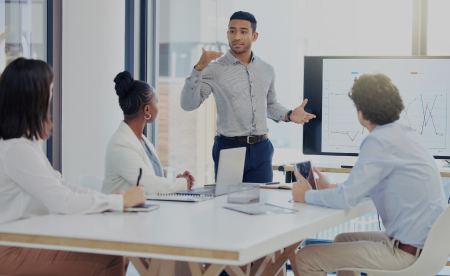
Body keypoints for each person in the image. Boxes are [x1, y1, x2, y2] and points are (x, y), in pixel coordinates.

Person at [0, 58, 146, 276]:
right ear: (34, 98)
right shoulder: (16, 151)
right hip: (11, 252)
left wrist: (112, 201)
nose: (51, 98)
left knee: (113, 253)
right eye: (49, 91)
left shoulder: (24, 145)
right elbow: (64, 201)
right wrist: (120, 201)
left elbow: (63, 187)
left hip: (28, 241)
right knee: (110, 257)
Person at [291, 74, 447, 276]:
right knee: (342, 240)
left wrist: (305, 195)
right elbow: (371, 184)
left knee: (306, 257)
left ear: (362, 112)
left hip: (407, 255)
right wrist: (333, 188)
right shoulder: (405, 133)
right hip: (430, 249)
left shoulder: (379, 141)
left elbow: (347, 199)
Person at [180, 11, 315, 183]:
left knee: (261, 203)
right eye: (232, 31)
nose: (237, 36)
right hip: (229, 147)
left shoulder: (267, 69)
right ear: (227, 34)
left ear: (254, 35)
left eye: (243, 31)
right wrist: (198, 68)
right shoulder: (214, 69)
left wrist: (289, 114)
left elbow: (270, 104)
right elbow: (188, 104)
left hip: (261, 149)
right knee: (228, 205)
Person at [102, 71, 194, 195]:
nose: (158, 107)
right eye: (156, 102)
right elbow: (150, 186)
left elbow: (153, 179)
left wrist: (175, 182)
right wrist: (183, 183)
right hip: (124, 213)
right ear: (147, 109)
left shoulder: (141, 141)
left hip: (145, 209)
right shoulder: (121, 144)